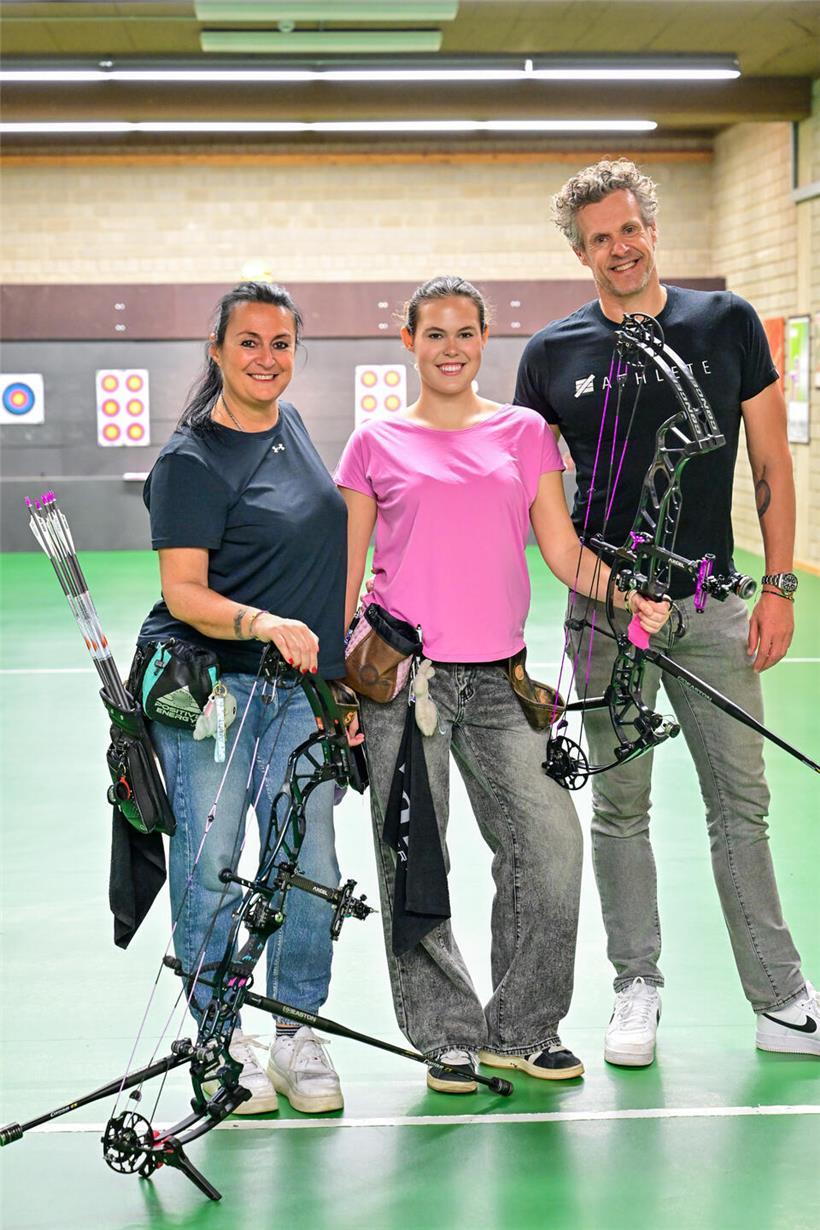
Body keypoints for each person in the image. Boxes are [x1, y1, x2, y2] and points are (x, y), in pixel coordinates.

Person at [515, 158, 819, 1066]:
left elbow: (771, 464)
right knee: (620, 806)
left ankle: (780, 999)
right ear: (580, 254)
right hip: (605, 615)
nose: (619, 248)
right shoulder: (551, 355)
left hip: (714, 606)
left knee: (741, 805)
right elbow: (533, 498)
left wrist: (779, 587)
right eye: (598, 239)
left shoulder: (725, 323)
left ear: (651, 228)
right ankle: (635, 987)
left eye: (629, 229)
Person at [335, 276, 670, 1093]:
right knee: (416, 859)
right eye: (434, 333)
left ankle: (521, 1028)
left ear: (485, 339)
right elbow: (345, 575)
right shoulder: (373, 443)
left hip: (500, 681)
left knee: (550, 845)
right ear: (409, 341)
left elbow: (562, 551)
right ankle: (444, 1033)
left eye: (465, 333)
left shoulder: (523, 433)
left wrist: (627, 593)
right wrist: (336, 686)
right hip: (401, 679)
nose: (450, 348)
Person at [138, 281, 359, 1115]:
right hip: (211, 692)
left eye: (281, 343)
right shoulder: (190, 460)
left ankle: (298, 1029)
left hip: (297, 690)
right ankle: (219, 1032)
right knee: (213, 864)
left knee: (310, 862)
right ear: (217, 351)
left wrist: (332, 675)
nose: (267, 358)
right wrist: (264, 622)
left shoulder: (290, 426)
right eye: (249, 342)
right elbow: (184, 592)